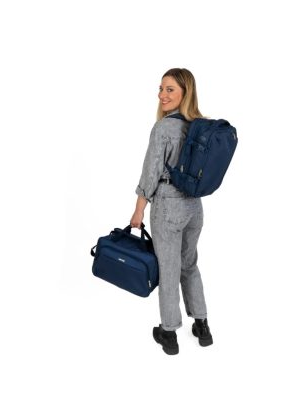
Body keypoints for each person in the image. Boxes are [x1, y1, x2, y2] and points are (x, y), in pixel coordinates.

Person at [130, 68, 213, 355]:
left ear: (185, 93)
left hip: (168, 206)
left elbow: (150, 173)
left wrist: (138, 210)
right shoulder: (200, 127)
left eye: (169, 90)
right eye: (161, 88)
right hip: (194, 208)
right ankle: (202, 325)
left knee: (169, 270)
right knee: (189, 265)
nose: (162, 95)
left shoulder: (164, 128)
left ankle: (168, 332)